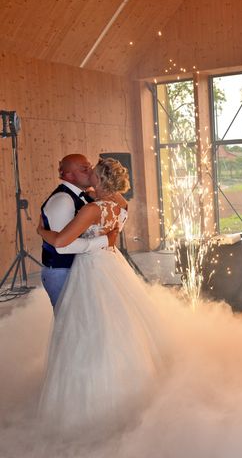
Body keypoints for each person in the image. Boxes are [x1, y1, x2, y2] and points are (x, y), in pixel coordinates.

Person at [37, 158, 163, 435]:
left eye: (90, 170)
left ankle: (89, 395)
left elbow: (60, 242)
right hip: (112, 265)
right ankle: (125, 385)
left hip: (91, 268)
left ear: (99, 180)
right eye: (84, 169)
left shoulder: (93, 208)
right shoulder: (120, 204)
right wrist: (106, 241)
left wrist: (41, 231)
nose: (87, 172)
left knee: (83, 331)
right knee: (115, 327)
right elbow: (110, 217)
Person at [40, 154, 118, 310]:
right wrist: (105, 241)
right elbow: (62, 246)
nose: (90, 171)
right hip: (62, 271)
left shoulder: (88, 197)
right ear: (68, 175)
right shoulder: (63, 199)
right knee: (70, 324)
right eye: (84, 168)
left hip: (82, 268)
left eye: (89, 166)